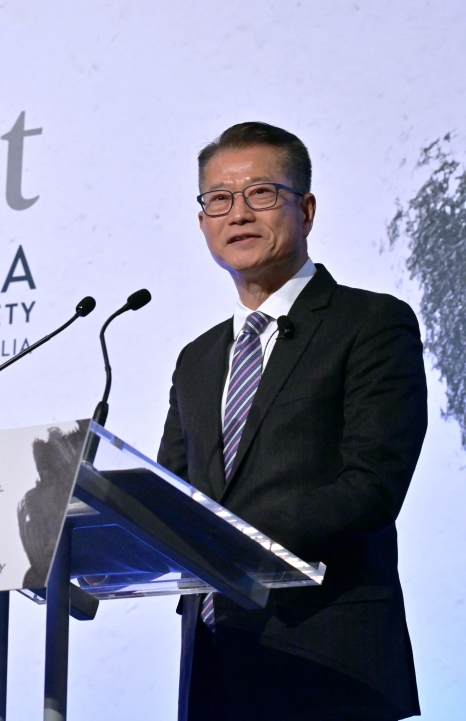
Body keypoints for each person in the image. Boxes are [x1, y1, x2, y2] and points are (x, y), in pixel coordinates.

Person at [157, 122, 426, 721]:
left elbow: (373, 485)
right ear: (202, 222)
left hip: (329, 663)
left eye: (260, 193)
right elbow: (174, 498)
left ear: (305, 210)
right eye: (219, 199)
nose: (238, 213)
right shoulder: (197, 359)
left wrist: (231, 541)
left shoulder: (371, 323)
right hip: (214, 667)